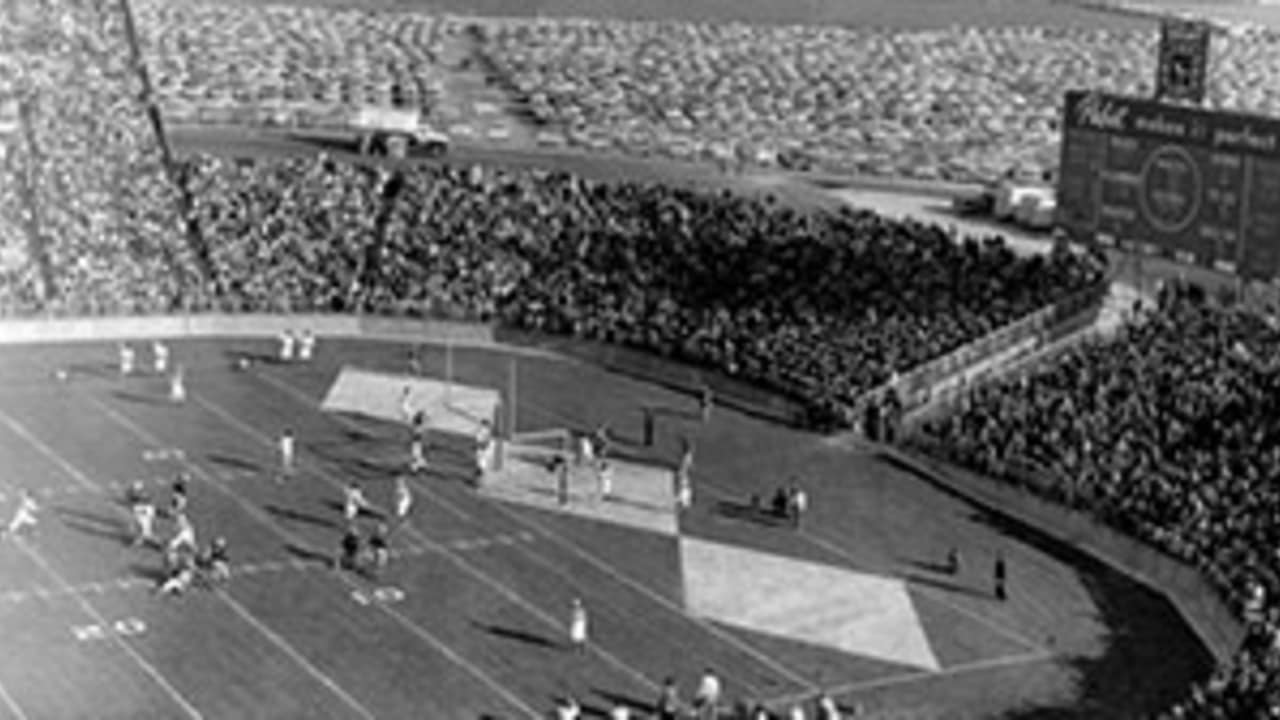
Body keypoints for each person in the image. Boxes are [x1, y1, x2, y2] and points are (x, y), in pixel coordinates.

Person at [128, 482, 156, 547]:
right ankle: (140, 540)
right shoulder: (139, 497)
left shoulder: (143, 498)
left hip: (143, 516)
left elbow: (148, 510)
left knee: (146, 534)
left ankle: (158, 544)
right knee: (142, 531)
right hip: (141, 515)